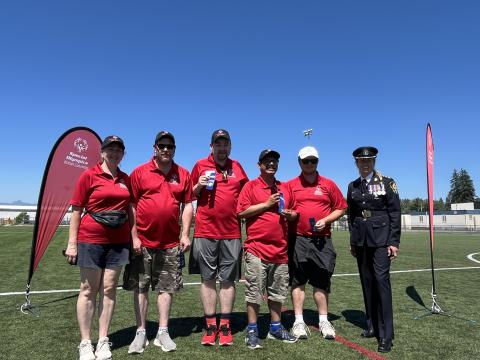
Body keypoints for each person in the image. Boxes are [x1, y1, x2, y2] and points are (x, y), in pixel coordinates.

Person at [124, 131, 194, 354]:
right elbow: (131, 205)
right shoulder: (139, 172)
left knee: (166, 289)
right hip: (143, 242)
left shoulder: (182, 173)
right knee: (141, 288)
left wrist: (184, 234)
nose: (166, 149)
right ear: (154, 147)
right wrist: (133, 236)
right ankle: (141, 332)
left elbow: (188, 205)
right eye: (162, 146)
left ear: (174, 149)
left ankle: (163, 332)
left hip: (170, 243)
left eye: (170, 146)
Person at [65, 135, 131, 360]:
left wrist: (134, 238)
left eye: (118, 150)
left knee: (109, 289)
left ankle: (103, 340)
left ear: (123, 154)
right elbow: (76, 210)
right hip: (90, 240)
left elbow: (130, 211)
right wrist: (72, 244)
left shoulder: (125, 178)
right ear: (102, 152)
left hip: (118, 243)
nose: (114, 153)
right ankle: (85, 342)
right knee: (88, 290)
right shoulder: (89, 175)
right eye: (109, 149)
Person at [190, 129, 249, 346]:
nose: (222, 148)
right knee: (207, 279)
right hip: (205, 231)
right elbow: (189, 195)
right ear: (211, 147)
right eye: (218, 144)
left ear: (230, 146)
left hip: (232, 232)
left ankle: (225, 325)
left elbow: (247, 195)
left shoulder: (238, 167)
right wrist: (199, 185)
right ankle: (210, 325)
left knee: (227, 279)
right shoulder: (199, 165)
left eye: (226, 144)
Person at [237, 149, 299, 349]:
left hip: (280, 250)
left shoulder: (285, 187)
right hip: (257, 248)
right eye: (267, 161)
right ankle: (253, 329)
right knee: (254, 293)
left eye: (274, 161)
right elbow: (241, 212)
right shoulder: (250, 186)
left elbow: (296, 212)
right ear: (259, 165)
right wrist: (265, 204)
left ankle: (276, 327)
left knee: (278, 293)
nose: (271, 164)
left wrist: (291, 215)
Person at [287, 146, 347, 340]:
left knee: (321, 281)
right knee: (298, 280)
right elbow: (285, 208)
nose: (309, 164)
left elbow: (341, 208)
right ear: (299, 162)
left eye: (313, 161)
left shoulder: (328, 184)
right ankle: (298, 321)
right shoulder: (291, 185)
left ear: (318, 162)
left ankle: (323, 320)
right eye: (306, 161)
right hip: (298, 239)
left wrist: (327, 220)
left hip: (323, 241)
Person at [346, 146, 401, 353]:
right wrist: (353, 241)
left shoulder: (387, 183)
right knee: (367, 282)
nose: (365, 164)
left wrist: (394, 242)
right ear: (356, 163)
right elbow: (352, 216)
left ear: (374, 162)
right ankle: (371, 325)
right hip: (361, 241)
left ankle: (386, 334)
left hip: (381, 240)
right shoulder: (353, 186)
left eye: (368, 160)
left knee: (381, 281)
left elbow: (395, 213)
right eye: (361, 161)